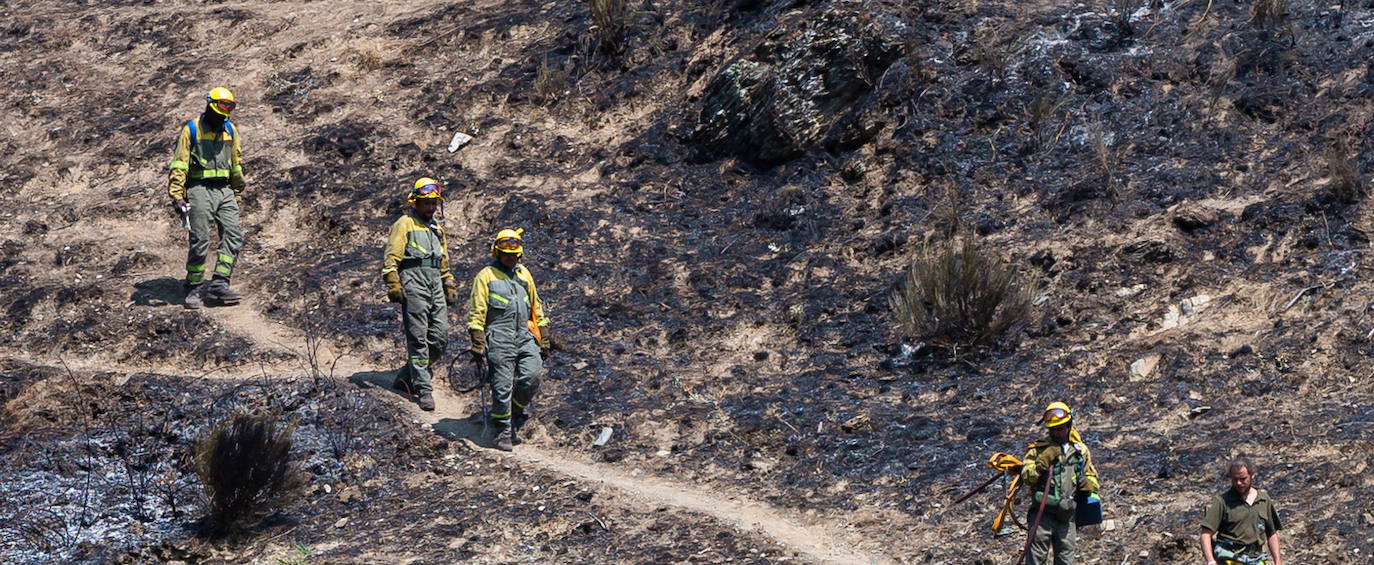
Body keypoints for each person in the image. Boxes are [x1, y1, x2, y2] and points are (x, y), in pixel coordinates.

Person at [466, 228, 550, 451]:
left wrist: (544, 335)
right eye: (506, 254)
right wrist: (477, 339)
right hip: (499, 335)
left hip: (524, 334)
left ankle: (514, 410)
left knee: (532, 376)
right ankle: (503, 430)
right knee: (501, 386)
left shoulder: (524, 275)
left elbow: (536, 306)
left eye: (514, 255)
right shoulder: (486, 277)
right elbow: (477, 311)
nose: (510, 258)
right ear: (497, 253)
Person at [381, 178, 458, 411]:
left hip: (434, 282)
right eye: (426, 203)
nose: (430, 208)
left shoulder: (437, 229)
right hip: (413, 281)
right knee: (418, 338)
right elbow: (392, 256)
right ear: (416, 202)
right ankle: (423, 389)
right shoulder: (404, 224)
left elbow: (443, 260)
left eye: (434, 203)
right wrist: (393, 282)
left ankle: (406, 376)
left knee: (440, 337)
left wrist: (449, 283)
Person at [167, 87, 246, 309]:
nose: (227, 111)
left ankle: (220, 283)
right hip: (199, 189)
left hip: (225, 191)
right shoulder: (191, 130)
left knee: (233, 235)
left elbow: (236, 163)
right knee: (200, 240)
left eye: (231, 106)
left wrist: (237, 191)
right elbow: (179, 164)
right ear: (212, 104)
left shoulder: (231, 130)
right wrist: (177, 196)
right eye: (223, 105)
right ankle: (194, 286)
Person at [1019, 401, 1100, 565]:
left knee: (1065, 560)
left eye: (1060, 428)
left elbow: (1093, 478)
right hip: (1041, 516)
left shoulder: (1079, 451)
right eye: (1053, 429)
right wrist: (1044, 460)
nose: (1056, 433)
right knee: (1036, 560)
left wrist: (1087, 485)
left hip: (1067, 516)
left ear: (1069, 426)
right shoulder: (1037, 450)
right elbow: (1027, 477)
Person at [1199, 456, 1284, 565]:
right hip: (1229, 559)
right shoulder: (1222, 501)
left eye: (1243, 479)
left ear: (1252, 475)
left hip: (1255, 559)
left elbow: (1271, 533)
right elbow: (1205, 534)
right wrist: (1211, 561)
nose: (1238, 483)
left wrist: (1278, 561)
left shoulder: (1263, 500)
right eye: (1235, 479)